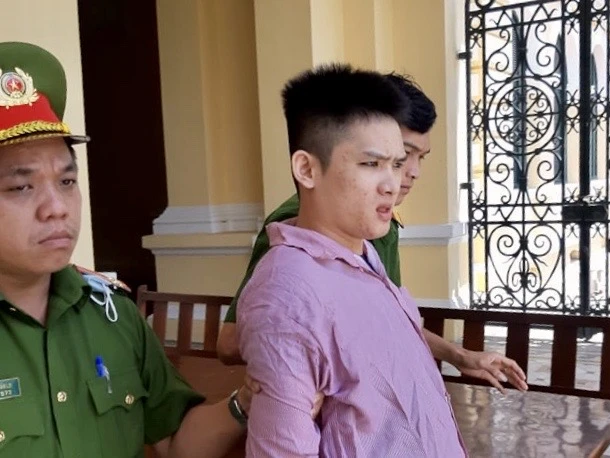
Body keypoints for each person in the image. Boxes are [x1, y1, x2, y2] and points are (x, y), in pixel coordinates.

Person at [0, 41, 254, 458]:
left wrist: (247, 400)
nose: (56, 208)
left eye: (66, 181)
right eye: (21, 187)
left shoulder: (112, 316)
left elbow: (176, 439)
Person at [219, 72, 528, 395]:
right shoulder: (297, 227)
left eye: (416, 158)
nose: (412, 172)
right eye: (399, 156)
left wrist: (457, 355)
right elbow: (230, 342)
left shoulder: (381, 224)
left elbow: (386, 320)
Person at [238, 63, 466, 456]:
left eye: (396, 164)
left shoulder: (363, 255)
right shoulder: (287, 292)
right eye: (371, 164)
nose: (392, 183)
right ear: (307, 169)